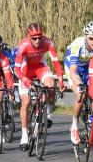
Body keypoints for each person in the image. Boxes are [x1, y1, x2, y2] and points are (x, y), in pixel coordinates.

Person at [14, 22, 65, 150]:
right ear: (28, 36)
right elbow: (16, 70)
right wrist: (26, 81)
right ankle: (24, 135)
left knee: (51, 85)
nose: (37, 40)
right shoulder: (23, 45)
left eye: (39, 37)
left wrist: (60, 80)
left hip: (40, 67)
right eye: (34, 38)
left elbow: (56, 63)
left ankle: (47, 115)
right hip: (25, 70)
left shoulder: (48, 42)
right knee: (25, 102)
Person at [65, 20, 93, 145]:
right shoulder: (78, 45)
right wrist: (79, 84)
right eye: (91, 39)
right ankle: (74, 126)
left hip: (88, 67)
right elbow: (72, 71)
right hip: (74, 68)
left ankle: (91, 119)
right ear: (85, 37)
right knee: (81, 94)